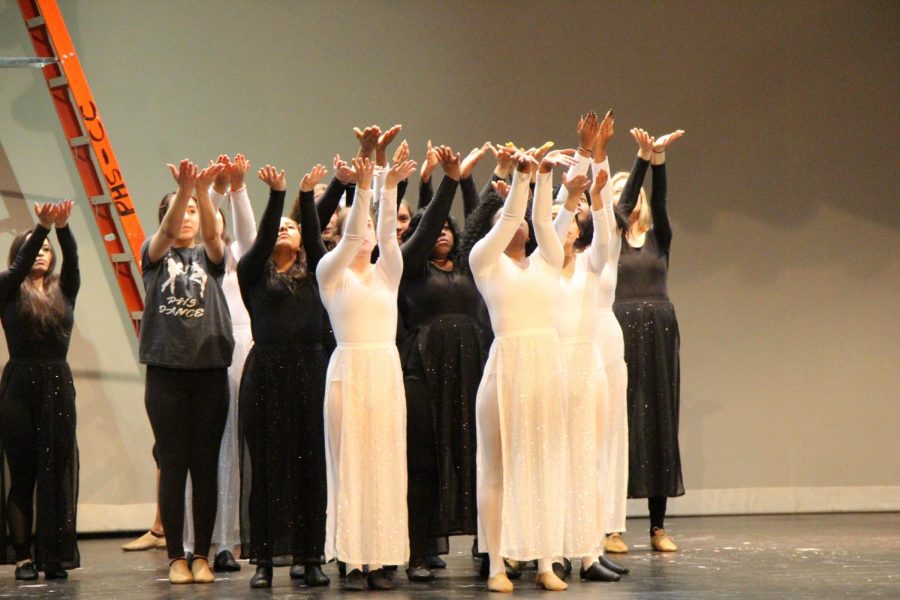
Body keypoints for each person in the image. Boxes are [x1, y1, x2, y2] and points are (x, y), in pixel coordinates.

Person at [470, 148, 573, 593]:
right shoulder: (485, 262)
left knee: (545, 464)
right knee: (496, 468)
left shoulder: (548, 263)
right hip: (506, 365)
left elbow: (547, 226)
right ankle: (496, 563)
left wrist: (545, 177)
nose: (520, 225)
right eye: (509, 222)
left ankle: (546, 561)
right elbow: (511, 217)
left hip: (545, 366)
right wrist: (521, 179)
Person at [317, 156, 417, 592]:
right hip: (349, 370)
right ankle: (353, 559)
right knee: (350, 464)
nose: (363, 240)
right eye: (352, 236)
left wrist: (389, 185)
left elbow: (389, 238)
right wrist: (362, 187)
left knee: (385, 462)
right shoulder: (330, 275)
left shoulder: (387, 274)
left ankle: (380, 556)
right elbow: (354, 232)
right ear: (339, 240)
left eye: (368, 235)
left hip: (384, 370)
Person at [236, 164, 331, 588]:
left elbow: (313, 235)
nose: (285, 230)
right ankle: (265, 560)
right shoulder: (252, 274)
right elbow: (259, 244)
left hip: (311, 371)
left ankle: (311, 556)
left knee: (311, 466)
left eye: (291, 227)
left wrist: (307, 197)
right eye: (278, 227)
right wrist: (277, 196)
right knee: (270, 467)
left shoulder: (318, 273)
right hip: (268, 373)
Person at [139, 159, 234, 584]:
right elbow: (164, 234)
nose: (189, 218)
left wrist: (200, 192)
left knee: (205, 464)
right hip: (166, 372)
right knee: (173, 461)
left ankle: (201, 555)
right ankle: (176, 555)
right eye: (182, 212)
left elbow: (214, 234)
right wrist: (185, 192)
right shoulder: (154, 255)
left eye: (195, 211)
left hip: (209, 370)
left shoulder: (212, 257)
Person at [612, 127, 685, 553]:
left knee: (658, 421)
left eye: (632, 188)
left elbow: (659, 202)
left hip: (658, 334)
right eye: (623, 191)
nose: (631, 195)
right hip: (619, 333)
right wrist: (638, 162)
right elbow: (620, 208)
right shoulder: (606, 244)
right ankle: (612, 525)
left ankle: (657, 526)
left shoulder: (660, 239)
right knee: (620, 424)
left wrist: (658, 161)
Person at [0, 201, 79, 581]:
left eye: (47, 250)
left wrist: (62, 230)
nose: (42, 254)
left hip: (57, 386)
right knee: (24, 473)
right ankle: (22, 556)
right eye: (35, 248)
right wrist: (42, 229)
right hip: (19, 388)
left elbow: (74, 261)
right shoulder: (7, 287)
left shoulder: (64, 288)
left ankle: (51, 555)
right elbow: (17, 269)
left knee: (56, 472)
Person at [182, 153, 254, 572]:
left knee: (235, 452)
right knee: (204, 451)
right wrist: (212, 190)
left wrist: (238, 187)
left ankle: (229, 541)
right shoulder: (195, 261)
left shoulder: (241, 260)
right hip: (206, 355)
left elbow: (246, 233)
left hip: (241, 351)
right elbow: (205, 227)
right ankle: (196, 541)